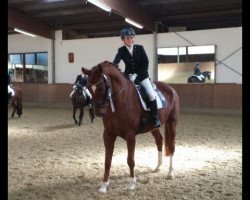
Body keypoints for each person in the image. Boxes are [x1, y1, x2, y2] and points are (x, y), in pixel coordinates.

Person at [113, 27, 161, 128]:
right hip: (128, 77)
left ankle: (155, 117)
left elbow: (146, 64)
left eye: (132, 37)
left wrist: (137, 76)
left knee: (151, 94)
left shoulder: (140, 48)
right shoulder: (121, 50)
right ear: (123, 40)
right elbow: (115, 63)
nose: (131, 39)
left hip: (142, 77)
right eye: (128, 38)